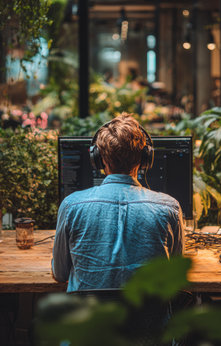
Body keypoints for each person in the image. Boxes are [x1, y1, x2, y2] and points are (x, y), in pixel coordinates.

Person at [52, 113, 184, 292]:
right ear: (144, 159)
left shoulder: (71, 207)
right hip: (149, 319)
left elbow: (60, 273)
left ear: (99, 159)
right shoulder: (170, 208)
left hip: (90, 319)